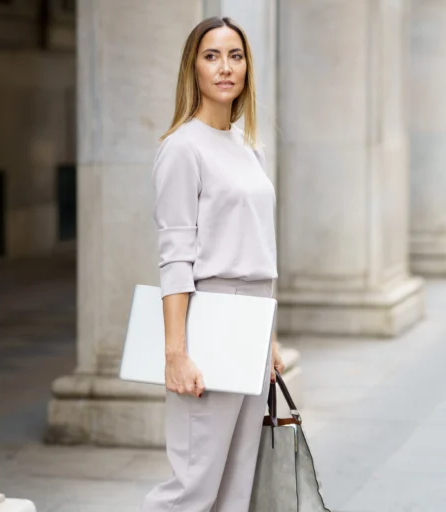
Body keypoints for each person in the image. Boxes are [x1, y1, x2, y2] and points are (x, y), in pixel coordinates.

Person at [142, 16, 285, 512]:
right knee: (193, 484)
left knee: (236, 484)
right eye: (212, 56)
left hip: (254, 318)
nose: (225, 67)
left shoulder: (249, 147)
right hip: (211, 314)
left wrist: (269, 336)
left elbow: (259, 247)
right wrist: (175, 353)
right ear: (194, 68)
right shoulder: (182, 147)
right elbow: (175, 256)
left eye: (235, 56)